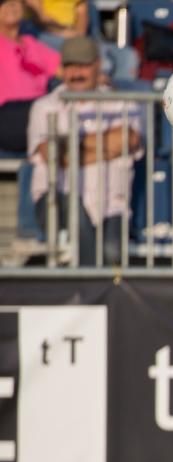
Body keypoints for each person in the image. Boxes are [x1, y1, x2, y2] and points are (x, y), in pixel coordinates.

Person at [27, 35, 143, 266]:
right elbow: (52, 154)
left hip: (111, 203)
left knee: (112, 252)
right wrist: (105, 145)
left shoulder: (123, 102)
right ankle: (87, 294)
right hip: (57, 198)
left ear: (98, 65)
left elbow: (127, 140)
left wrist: (71, 146)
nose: (76, 73)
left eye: (83, 66)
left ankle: (100, 296)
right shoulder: (44, 106)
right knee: (77, 219)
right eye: (70, 66)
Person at [0, 0, 60, 153]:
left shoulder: (32, 44)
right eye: (3, 3)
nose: (11, 6)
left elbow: (65, 70)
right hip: (7, 113)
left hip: (39, 109)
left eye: (16, 2)